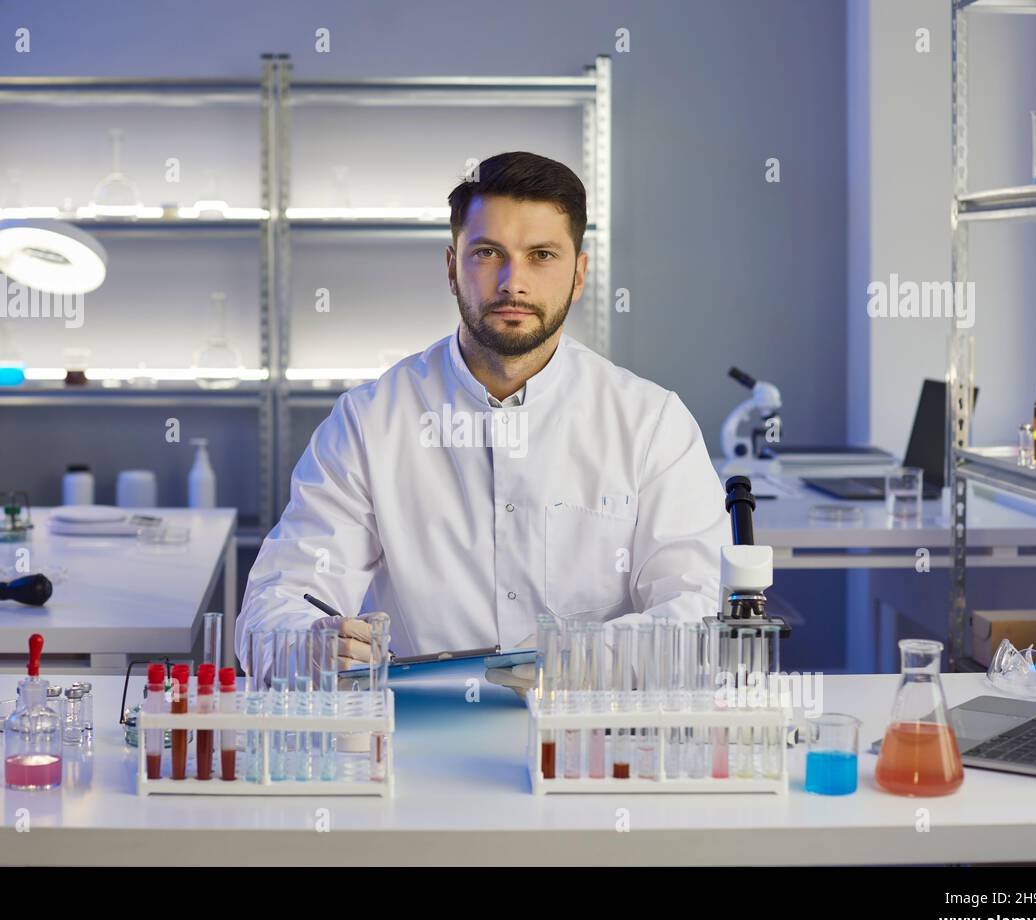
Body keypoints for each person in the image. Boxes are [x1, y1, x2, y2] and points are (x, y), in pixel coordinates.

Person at [237, 151, 730, 695]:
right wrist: (307, 644)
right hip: (418, 748)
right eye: (487, 253)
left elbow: (699, 614)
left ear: (579, 275)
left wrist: (553, 670)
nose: (512, 281)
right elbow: (273, 607)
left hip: (591, 745)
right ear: (452, 268)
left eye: (541, 255)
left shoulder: (651, 423)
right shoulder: (369, 422)